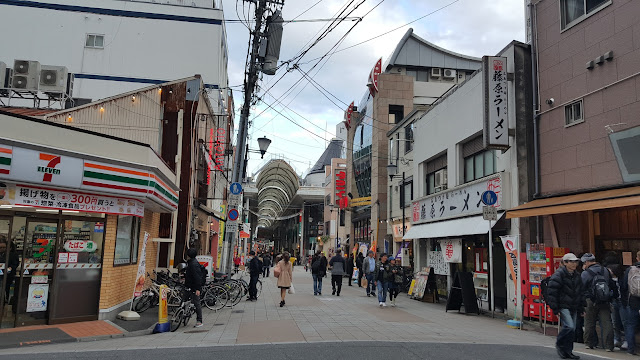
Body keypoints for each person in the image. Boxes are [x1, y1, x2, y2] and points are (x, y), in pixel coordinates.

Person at [546, 253, 584, 359]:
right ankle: (560, 342)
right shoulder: (558, 275)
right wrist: (555, 308)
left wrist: (582, 307)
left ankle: (568, 351)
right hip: (563, 305)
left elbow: (580, 292)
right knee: (569, 326)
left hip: (574, 305)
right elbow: (552, 292)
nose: (574, 264)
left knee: (573, 329)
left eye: (575, 262)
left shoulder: (577, 275)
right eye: (571, 262)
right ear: (565, 263)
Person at [580, 253, 615, 352]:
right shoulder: (606, 270)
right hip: (605, 299)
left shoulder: (586, 273)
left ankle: (589, 343)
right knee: (607, 322)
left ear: (586, 262)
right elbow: (611, 284)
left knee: (589, 322)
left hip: (590, 300)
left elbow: (581, 287)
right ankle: (609, 346)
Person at [620, 250, 640, 356]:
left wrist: (624, 301)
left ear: (637, 258)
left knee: (630, 325)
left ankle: (631, 349)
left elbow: (623, 286)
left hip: (633, 301)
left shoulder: (630, 270)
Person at [184, 248, 204, 328]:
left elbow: (197, 277)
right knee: (185, 300)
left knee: (197, 303)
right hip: (189, 286)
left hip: (194, 287)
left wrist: (197, 289)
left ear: (188, 255)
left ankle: (199, 321)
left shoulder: (193, 264)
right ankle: (183, 316)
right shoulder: (191, 263)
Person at [0, 238, 19, 303]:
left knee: (6, 288)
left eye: (3, 247)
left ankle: (5, 300)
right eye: (0, 247)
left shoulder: (12, 255)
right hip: (2, 275)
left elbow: (15, 264)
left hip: (8, 275)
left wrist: (9, 269)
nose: (2, 249)